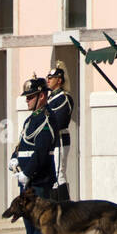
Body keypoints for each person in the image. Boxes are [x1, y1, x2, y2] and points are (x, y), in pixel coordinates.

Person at [9, 76, 56, 234]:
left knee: (40, 221)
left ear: (42, 96)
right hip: (26, 178)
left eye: (31, 97)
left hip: (39, 178)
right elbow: (22, 145)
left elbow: (42, 150)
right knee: (28, 221)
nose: (27, 101)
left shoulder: (47, 118)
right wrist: (14, 159)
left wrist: (28, 173)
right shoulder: (30, 120)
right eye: (27, 97)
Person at [45, 64, 73, 202]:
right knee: (53, 174)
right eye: (48, 77)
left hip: (60, 137)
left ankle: (65, 205)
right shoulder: (49, 98)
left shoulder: (64, 98)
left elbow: (59, 121)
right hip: (51, 140)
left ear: (59, 80)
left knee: (59, 172)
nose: (48, 80)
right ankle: (56, 204)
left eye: (52, 78)